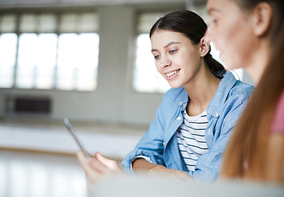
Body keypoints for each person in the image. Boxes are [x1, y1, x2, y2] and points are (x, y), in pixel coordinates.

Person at [76, 10, 253, 188]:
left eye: (173, 50)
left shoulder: (240, 101)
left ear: (203, 47)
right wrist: (156, 171)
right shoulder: (172, 99)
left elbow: (209, 180)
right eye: (157, 55)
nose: (163, 63)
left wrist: (153, 174)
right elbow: (137, 157)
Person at [205, 0, 284, 182]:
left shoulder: (279, 106)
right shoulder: (265, 101)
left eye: (216, 19)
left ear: (260, 18)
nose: (208, 35)